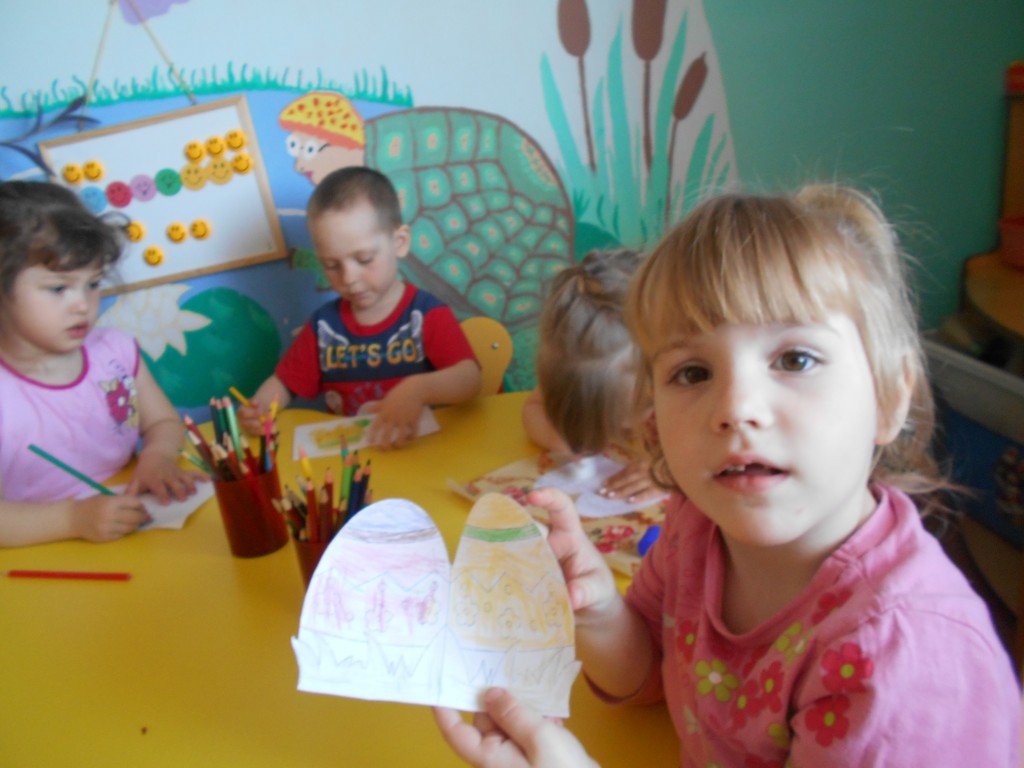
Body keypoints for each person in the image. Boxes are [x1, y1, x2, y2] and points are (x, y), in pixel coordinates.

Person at [437, 184, 1022, 766]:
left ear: (890, 399)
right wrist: (600, 612)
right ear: (652, 421)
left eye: (795, 359)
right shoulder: (695, 526)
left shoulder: (898, 663)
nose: (736, 407)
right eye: (693, 373)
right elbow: (650, 674)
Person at [0, 181, 200, 547]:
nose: (83, 304)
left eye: (92, 284)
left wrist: (157, 457)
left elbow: (163, 422)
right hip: (42, 555)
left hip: (135, 536)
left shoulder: (115, 352)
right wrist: (72, 519)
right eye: (58, 288)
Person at [238, 167, 481, 448]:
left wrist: (418, 389)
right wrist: (260, 408)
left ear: (400, 243)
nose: (349, 278)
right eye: (331, 265)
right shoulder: (324, 327)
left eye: (364, 259)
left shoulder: (425, 314)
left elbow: (470, 380)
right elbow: (284, 383)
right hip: (354, 461)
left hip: (422, 452)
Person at [522, 249, 659, 503]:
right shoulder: (579, 365)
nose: (620, 429)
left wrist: (670, 472)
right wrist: (568, 439)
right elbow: (533, 409)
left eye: (616, 418)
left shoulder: (702, 395)